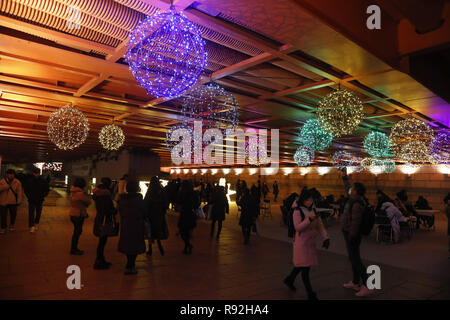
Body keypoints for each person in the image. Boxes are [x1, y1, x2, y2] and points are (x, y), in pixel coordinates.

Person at [283, 188, 330, 300]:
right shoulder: (297, 211)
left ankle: (289, 280)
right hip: (302, 243)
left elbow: (320, 224)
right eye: (309, 199)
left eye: (312, 199)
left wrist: (326, 237)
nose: (311, 201)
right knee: (305, 269)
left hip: (311, 242)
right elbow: (297, 227)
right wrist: (309, 219)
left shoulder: (313, 209)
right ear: (303, 199)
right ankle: (311, 294)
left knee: (301, 265)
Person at [340, 168, 373, 297]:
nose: (350, 189)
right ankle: (355, 282)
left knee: (356, 260)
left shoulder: (357, 204)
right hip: (348, 233)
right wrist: (344, 176)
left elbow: (355, 222)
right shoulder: (353, 199)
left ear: (356, 191)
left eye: (352, 188)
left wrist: (352, 236)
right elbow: (347, 186)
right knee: (353, 259)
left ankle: (367, 285)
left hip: (352, 235)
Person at [118, 180, 146, 275]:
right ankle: (131, 265)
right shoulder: (139, 199)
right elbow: (143, 210)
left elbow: (120, 210)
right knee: (135, 244)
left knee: (127, 243)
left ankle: (128, 264)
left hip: (126, 223)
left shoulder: (122, 199)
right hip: (137, 224)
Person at [92, 177, 116, 270]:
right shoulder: (105, 194)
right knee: (102, 241)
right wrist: (114, 211)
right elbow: (108, 208)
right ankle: (99, 261)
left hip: (99, 217)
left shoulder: (97, 193)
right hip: (105, 219)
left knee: (101, 241)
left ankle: (101, 259)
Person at [144, 176, 169, 256]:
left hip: (151, 214)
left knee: (150, 231)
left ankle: (150, 248)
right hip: (159, 214)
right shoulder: (161, 191)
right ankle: (160, 247)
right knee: (158, 229)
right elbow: (166, 202)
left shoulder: (150, 191)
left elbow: (146, 202)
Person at [69, 178, 91, 255]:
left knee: (76, 231)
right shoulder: (81, 193)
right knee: (77, 232)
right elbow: (88, 201)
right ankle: (74, 249)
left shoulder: (72, 191)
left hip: (72, 213)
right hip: (79, 214)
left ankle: (74, 248)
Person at [24, 167, 49, 233]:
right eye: (35, 173)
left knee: (38, 213)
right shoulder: (29, 181)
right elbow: (26, 190)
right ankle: (32, 226)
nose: (36, 175)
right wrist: (29, 196)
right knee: (31, 213)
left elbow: (46, 189)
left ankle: (36, 223)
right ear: (33, 173)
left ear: (39, 173)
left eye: (37, 173)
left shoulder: (43, 181)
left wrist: (43, 195)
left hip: (40, 200)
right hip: (31, 200)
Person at [177, 180, 199, 254]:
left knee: (183, 231)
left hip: (184, 213)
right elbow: (197, 203)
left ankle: (187, 245)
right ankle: (187, 246)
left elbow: (179, 202)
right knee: (188, 231)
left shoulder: (182, 193)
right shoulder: (194, 193)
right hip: (191, 214)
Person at [0, 169, 23, 234]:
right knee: (3, 215)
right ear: (7, 174)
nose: (11, 175)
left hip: (13, 201)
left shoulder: (17, 182)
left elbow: (19, 192)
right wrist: (5, 186)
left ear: (14, 175)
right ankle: (3, 228)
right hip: (3, 201)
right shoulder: (2, 181)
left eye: (12, 174)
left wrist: (19, 200)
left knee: (13, 214)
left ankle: (12, 225)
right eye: (9, 174)